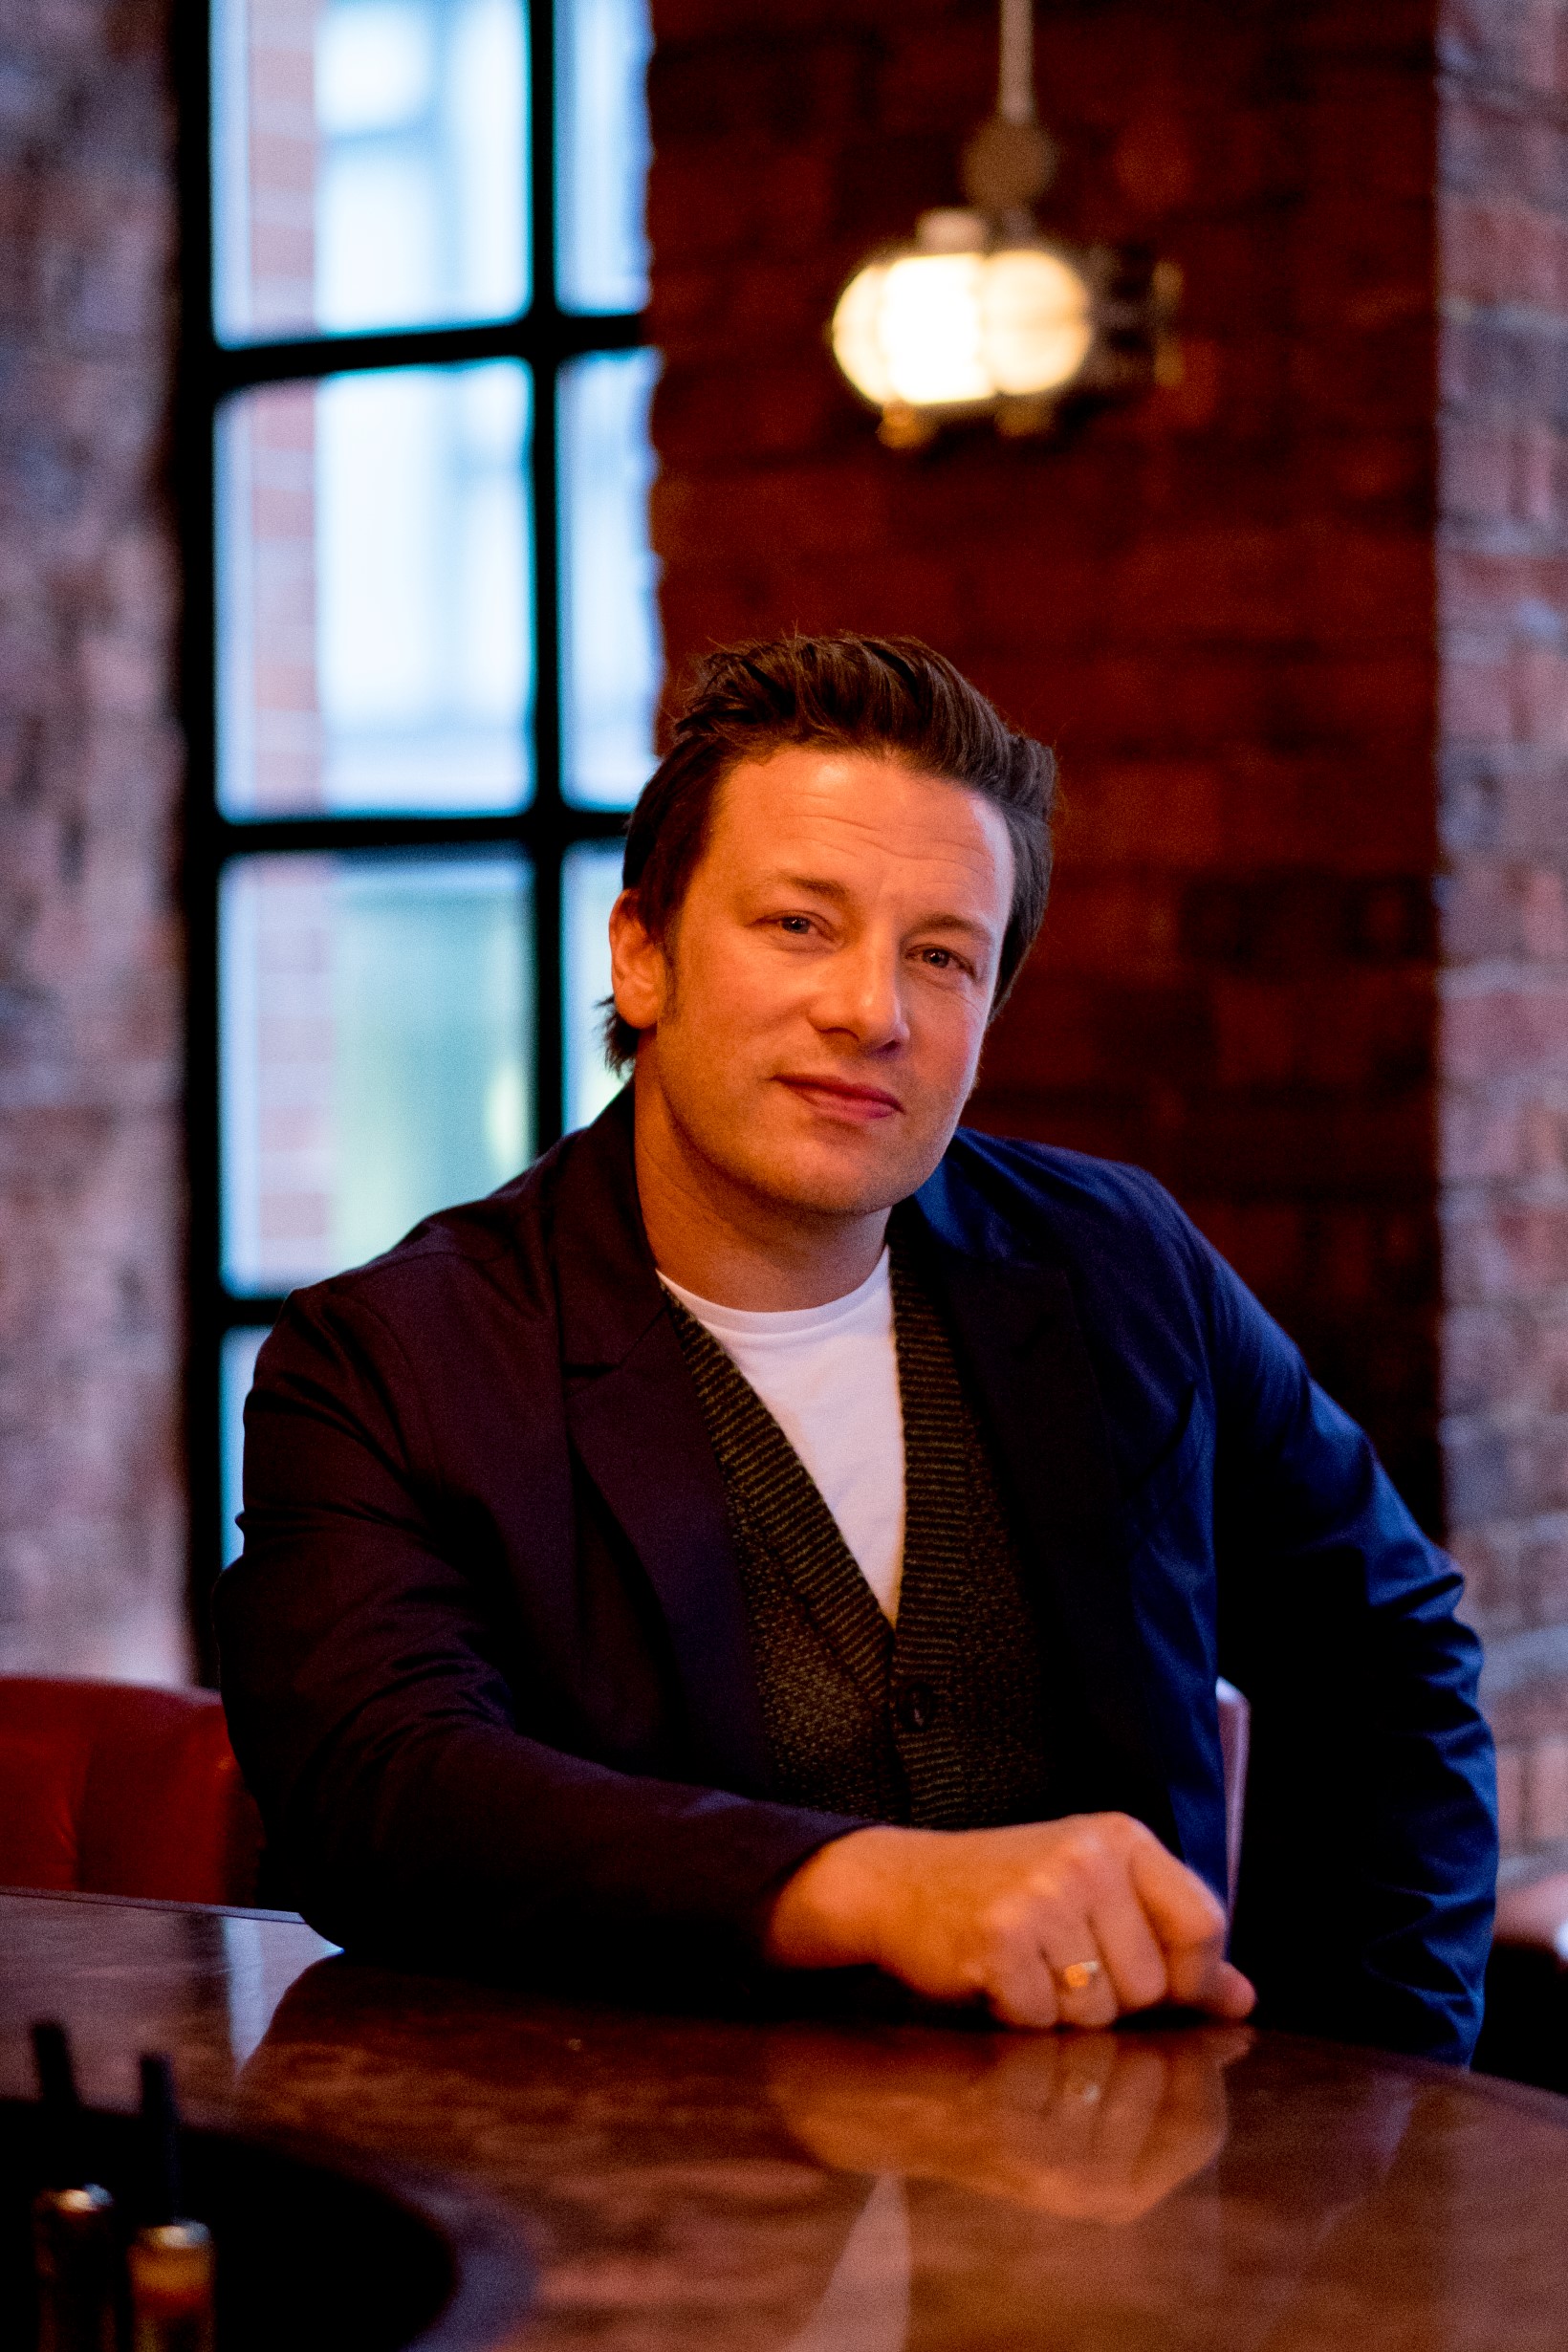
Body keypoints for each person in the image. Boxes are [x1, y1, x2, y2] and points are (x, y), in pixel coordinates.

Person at [216, 633, 1496, 2059]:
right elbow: (377, 1791)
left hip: (1122, 2175)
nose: (871, 1012)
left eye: (941, 957)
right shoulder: (388, 1360)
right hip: (636, 2173)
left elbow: (1390, 1657)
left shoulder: (1120, 1266)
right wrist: (863, 1888)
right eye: (798, 926)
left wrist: (1366, 2096)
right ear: (643, 955)